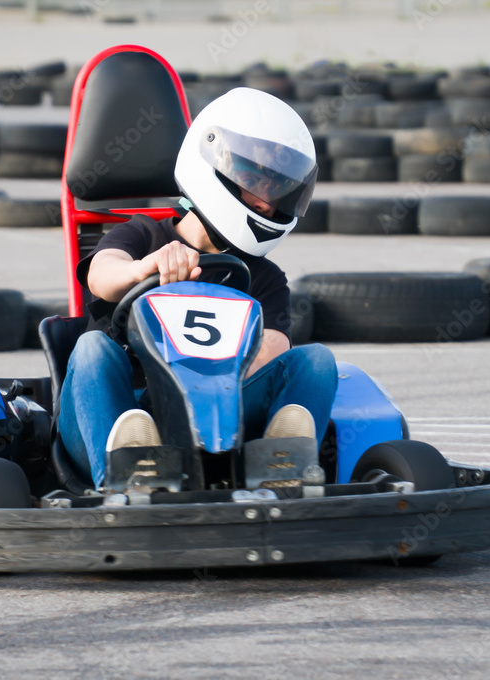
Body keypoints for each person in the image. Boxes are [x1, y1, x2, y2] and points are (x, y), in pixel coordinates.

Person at [58, 87, 338, 490]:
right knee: (90, 348)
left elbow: (274, 349)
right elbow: (100, 276)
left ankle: (281, 469)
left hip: (214, 424)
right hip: (113, 411)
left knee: (316, 362)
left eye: (277, 185)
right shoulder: (141, 234)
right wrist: (144, 270)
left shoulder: (262, 277)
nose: (265, 200)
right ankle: (128, 479)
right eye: (251, 178)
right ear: (213, 164)